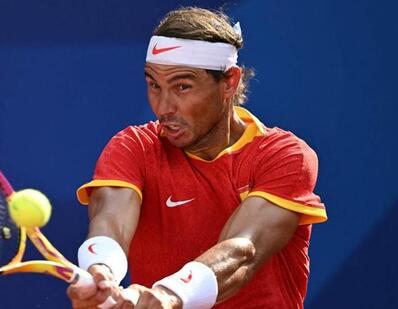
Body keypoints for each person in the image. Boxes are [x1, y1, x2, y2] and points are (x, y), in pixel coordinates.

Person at [67, 7, 327, 309]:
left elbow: (244, 251)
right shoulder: (134, 146)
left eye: (182, 86)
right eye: (154, 85)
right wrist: (102, 272)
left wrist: (170, 294)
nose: (163, 106)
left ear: (229, 81)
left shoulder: (284, 155)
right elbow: (110, 222)